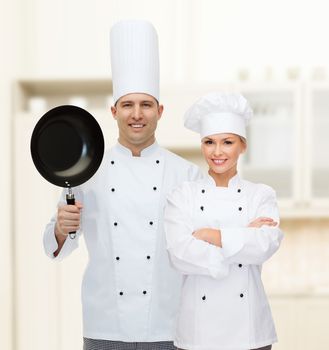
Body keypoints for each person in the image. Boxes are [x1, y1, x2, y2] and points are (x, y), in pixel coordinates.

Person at [43, 20, 202, 350]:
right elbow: (56, 245)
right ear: (114, 111)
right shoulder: (88, 170)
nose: (137, 114)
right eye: (128, 105)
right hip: (105, 325)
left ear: (160, 111)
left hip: (168, 325)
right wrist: (61, 228)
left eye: (146, 105)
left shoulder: (187, 175)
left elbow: (202, 250)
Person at [164, 92, 283, 350]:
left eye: (227, 142)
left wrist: (208, 235)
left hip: (249, 333)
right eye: (209, 142)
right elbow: (178, 255)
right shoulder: (183, 195)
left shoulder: (260, 194)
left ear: (243, 146)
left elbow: (265, 244)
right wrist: (242, 236)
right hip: (198, 334)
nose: (217, 152)